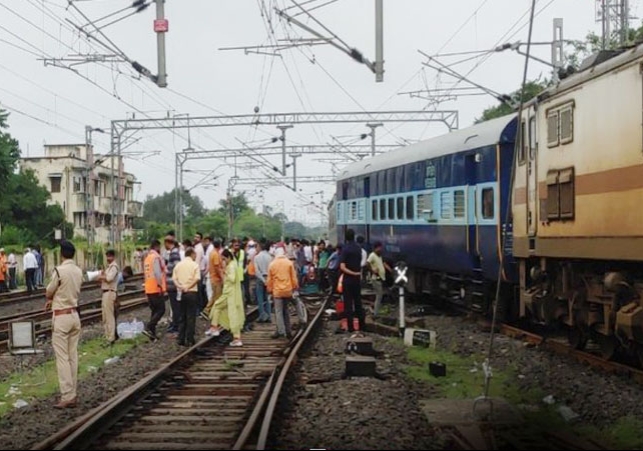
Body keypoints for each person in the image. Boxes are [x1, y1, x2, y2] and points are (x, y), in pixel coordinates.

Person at [45, 241, 83, 409]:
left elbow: (49, 290)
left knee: (62, 358)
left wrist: (51, 299)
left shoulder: (59, 271)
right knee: (72, 355)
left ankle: (67, 395)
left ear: (62, 254)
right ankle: (72, 392)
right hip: (75, 314)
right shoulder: (78, 271)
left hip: (61, 317)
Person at [206, 249, 245, 347]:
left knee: (217, 306)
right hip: (230, 294)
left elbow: (232, 279)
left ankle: (215, 327)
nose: (223, 261)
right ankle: (236, 337)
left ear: (228, 257)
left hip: (229, 294)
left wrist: (224, 272)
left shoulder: (231, 266)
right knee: (232, 314)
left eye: (224, 259)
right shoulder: (232, 265)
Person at [267, 242, 299, 339]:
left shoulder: (272, 264)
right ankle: (288, 331)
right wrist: (294, 288)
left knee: (278, 312)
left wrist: (269, 290)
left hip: (277, 292)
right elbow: (293, 278)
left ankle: (281, 331)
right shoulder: (289, 263)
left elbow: (270, 280)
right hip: (288, 291)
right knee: (286, 311)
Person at [172, 247, 200, 346]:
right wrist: (188, 287)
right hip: (191, 292)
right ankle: (190, 338)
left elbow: (174, 279)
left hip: (181, 293)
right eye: (195, 254)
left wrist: (180, 287)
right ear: (192, 254)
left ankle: (181, 338)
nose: (196, 256)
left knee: (182, 316)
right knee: (191, 316)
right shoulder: (195, 265)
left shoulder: (178, 265)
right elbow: (197, 278)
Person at [340, 229, 364, 333]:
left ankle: (351, 327)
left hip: (348, 280)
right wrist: (357, 273)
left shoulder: (345, 249)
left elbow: (342, 267)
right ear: (354, 236)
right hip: (357, 279)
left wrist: (352, 273)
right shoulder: (359, 248)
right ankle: (362, 325)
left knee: (348, 304)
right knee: (358, 302)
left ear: (346, 237)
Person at [142, 239, 166, 341]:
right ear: (156, 247)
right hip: (156, 288)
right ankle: (149, 327)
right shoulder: (155, 257)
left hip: (148, 288)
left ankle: (152, 334)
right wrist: (161, 285)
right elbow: (157, 273)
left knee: (154, 311)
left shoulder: (147, 258)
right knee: (161, 309)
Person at [98, 249, 119, 345]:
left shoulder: (114, 267)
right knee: (105, 316)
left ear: (113, 257)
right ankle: (108, 335)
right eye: (107, 256)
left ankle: (111, 337)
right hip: (105, 292)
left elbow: (109, 278)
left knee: (109, 316)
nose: (108, 258)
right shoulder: (108, 267)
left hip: (110, 292)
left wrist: (101, 276)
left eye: (110, 256)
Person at [367, 241, 392, 318]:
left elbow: (383, 264)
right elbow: (367, 263)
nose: (381, 249)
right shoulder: (372, 255)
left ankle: (377, 311)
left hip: (381, 278)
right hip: (376, 279)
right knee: (379, 295)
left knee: (381, 295)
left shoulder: (379, 256)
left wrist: (390, 270)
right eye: (379, 247)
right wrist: (372, 271)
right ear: (376, 248)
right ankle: (376, 313)